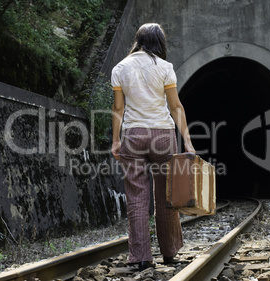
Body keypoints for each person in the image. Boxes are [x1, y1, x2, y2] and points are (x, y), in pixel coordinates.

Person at [111, 23, 195, 271]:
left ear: (138, 40)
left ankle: (141, 258)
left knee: (136, 198)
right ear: (159, 43)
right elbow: (176, 107)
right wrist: (188, 141)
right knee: (166, 196)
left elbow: (118, 108)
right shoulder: (165, 67)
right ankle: (169, 254)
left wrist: (116, 140)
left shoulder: (120, 68)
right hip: (162, 136)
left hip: (132, 135)